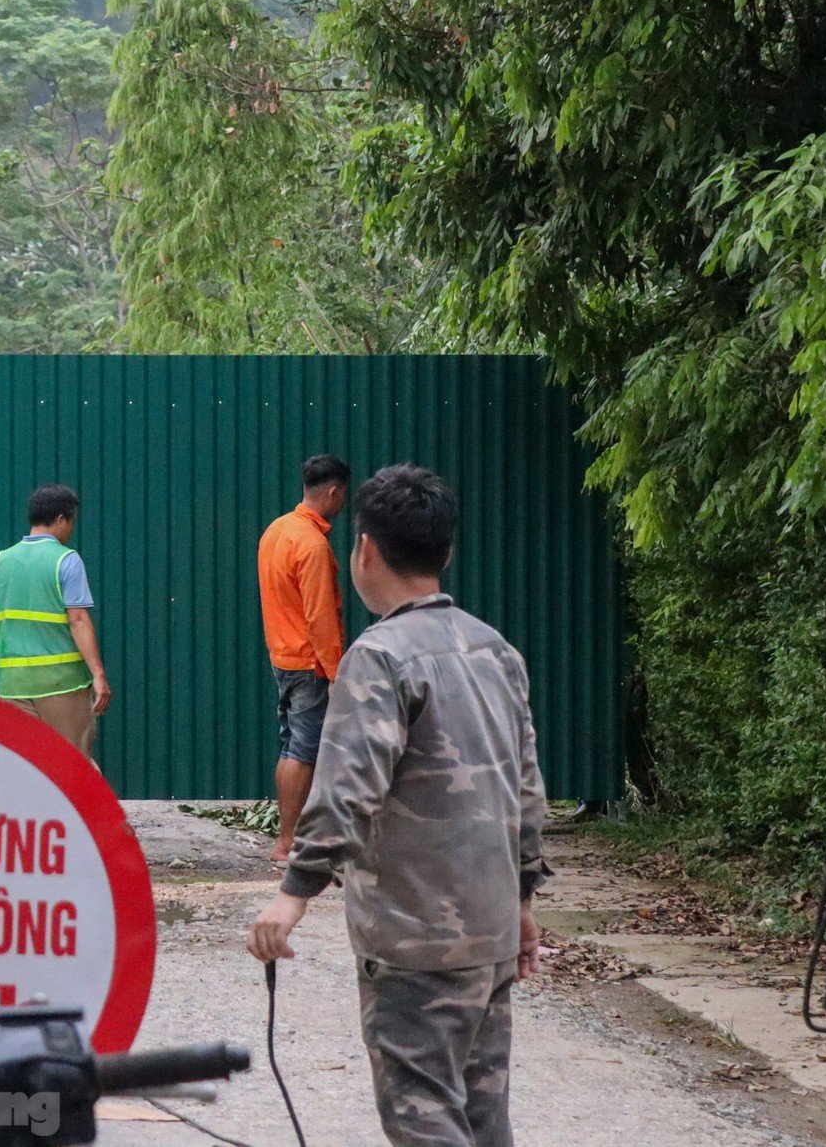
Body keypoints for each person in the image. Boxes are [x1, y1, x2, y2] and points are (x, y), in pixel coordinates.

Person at [247, 464, 550, 1147]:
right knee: (482, 1117)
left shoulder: (378, 656)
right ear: (445, 553)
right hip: (493, 931)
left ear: (364, 551)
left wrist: (293, 892)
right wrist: (525, 902)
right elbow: (525, 786)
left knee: (424, 1117)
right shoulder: (496, 650)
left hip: (416, 942)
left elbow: (348, 784)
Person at [257, 454, 352, 862]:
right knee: (304, 751)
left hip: (283, 656)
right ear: (332, 492)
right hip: (309, 663)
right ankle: (288, 844)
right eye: (343, 495)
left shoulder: (277, 531)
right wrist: (336, 671)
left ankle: (288, 836)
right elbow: (320, 616)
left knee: (291, 746)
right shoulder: (311, 544)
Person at [0, 484, 111, 756]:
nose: (72, 530)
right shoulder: (66, 560)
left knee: (28, 767)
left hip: (14, 684)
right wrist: (98, 675)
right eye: (71, 522)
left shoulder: (2, 561)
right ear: (61, 520)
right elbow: (77, 620)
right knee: (72, 766)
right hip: (62, 684)